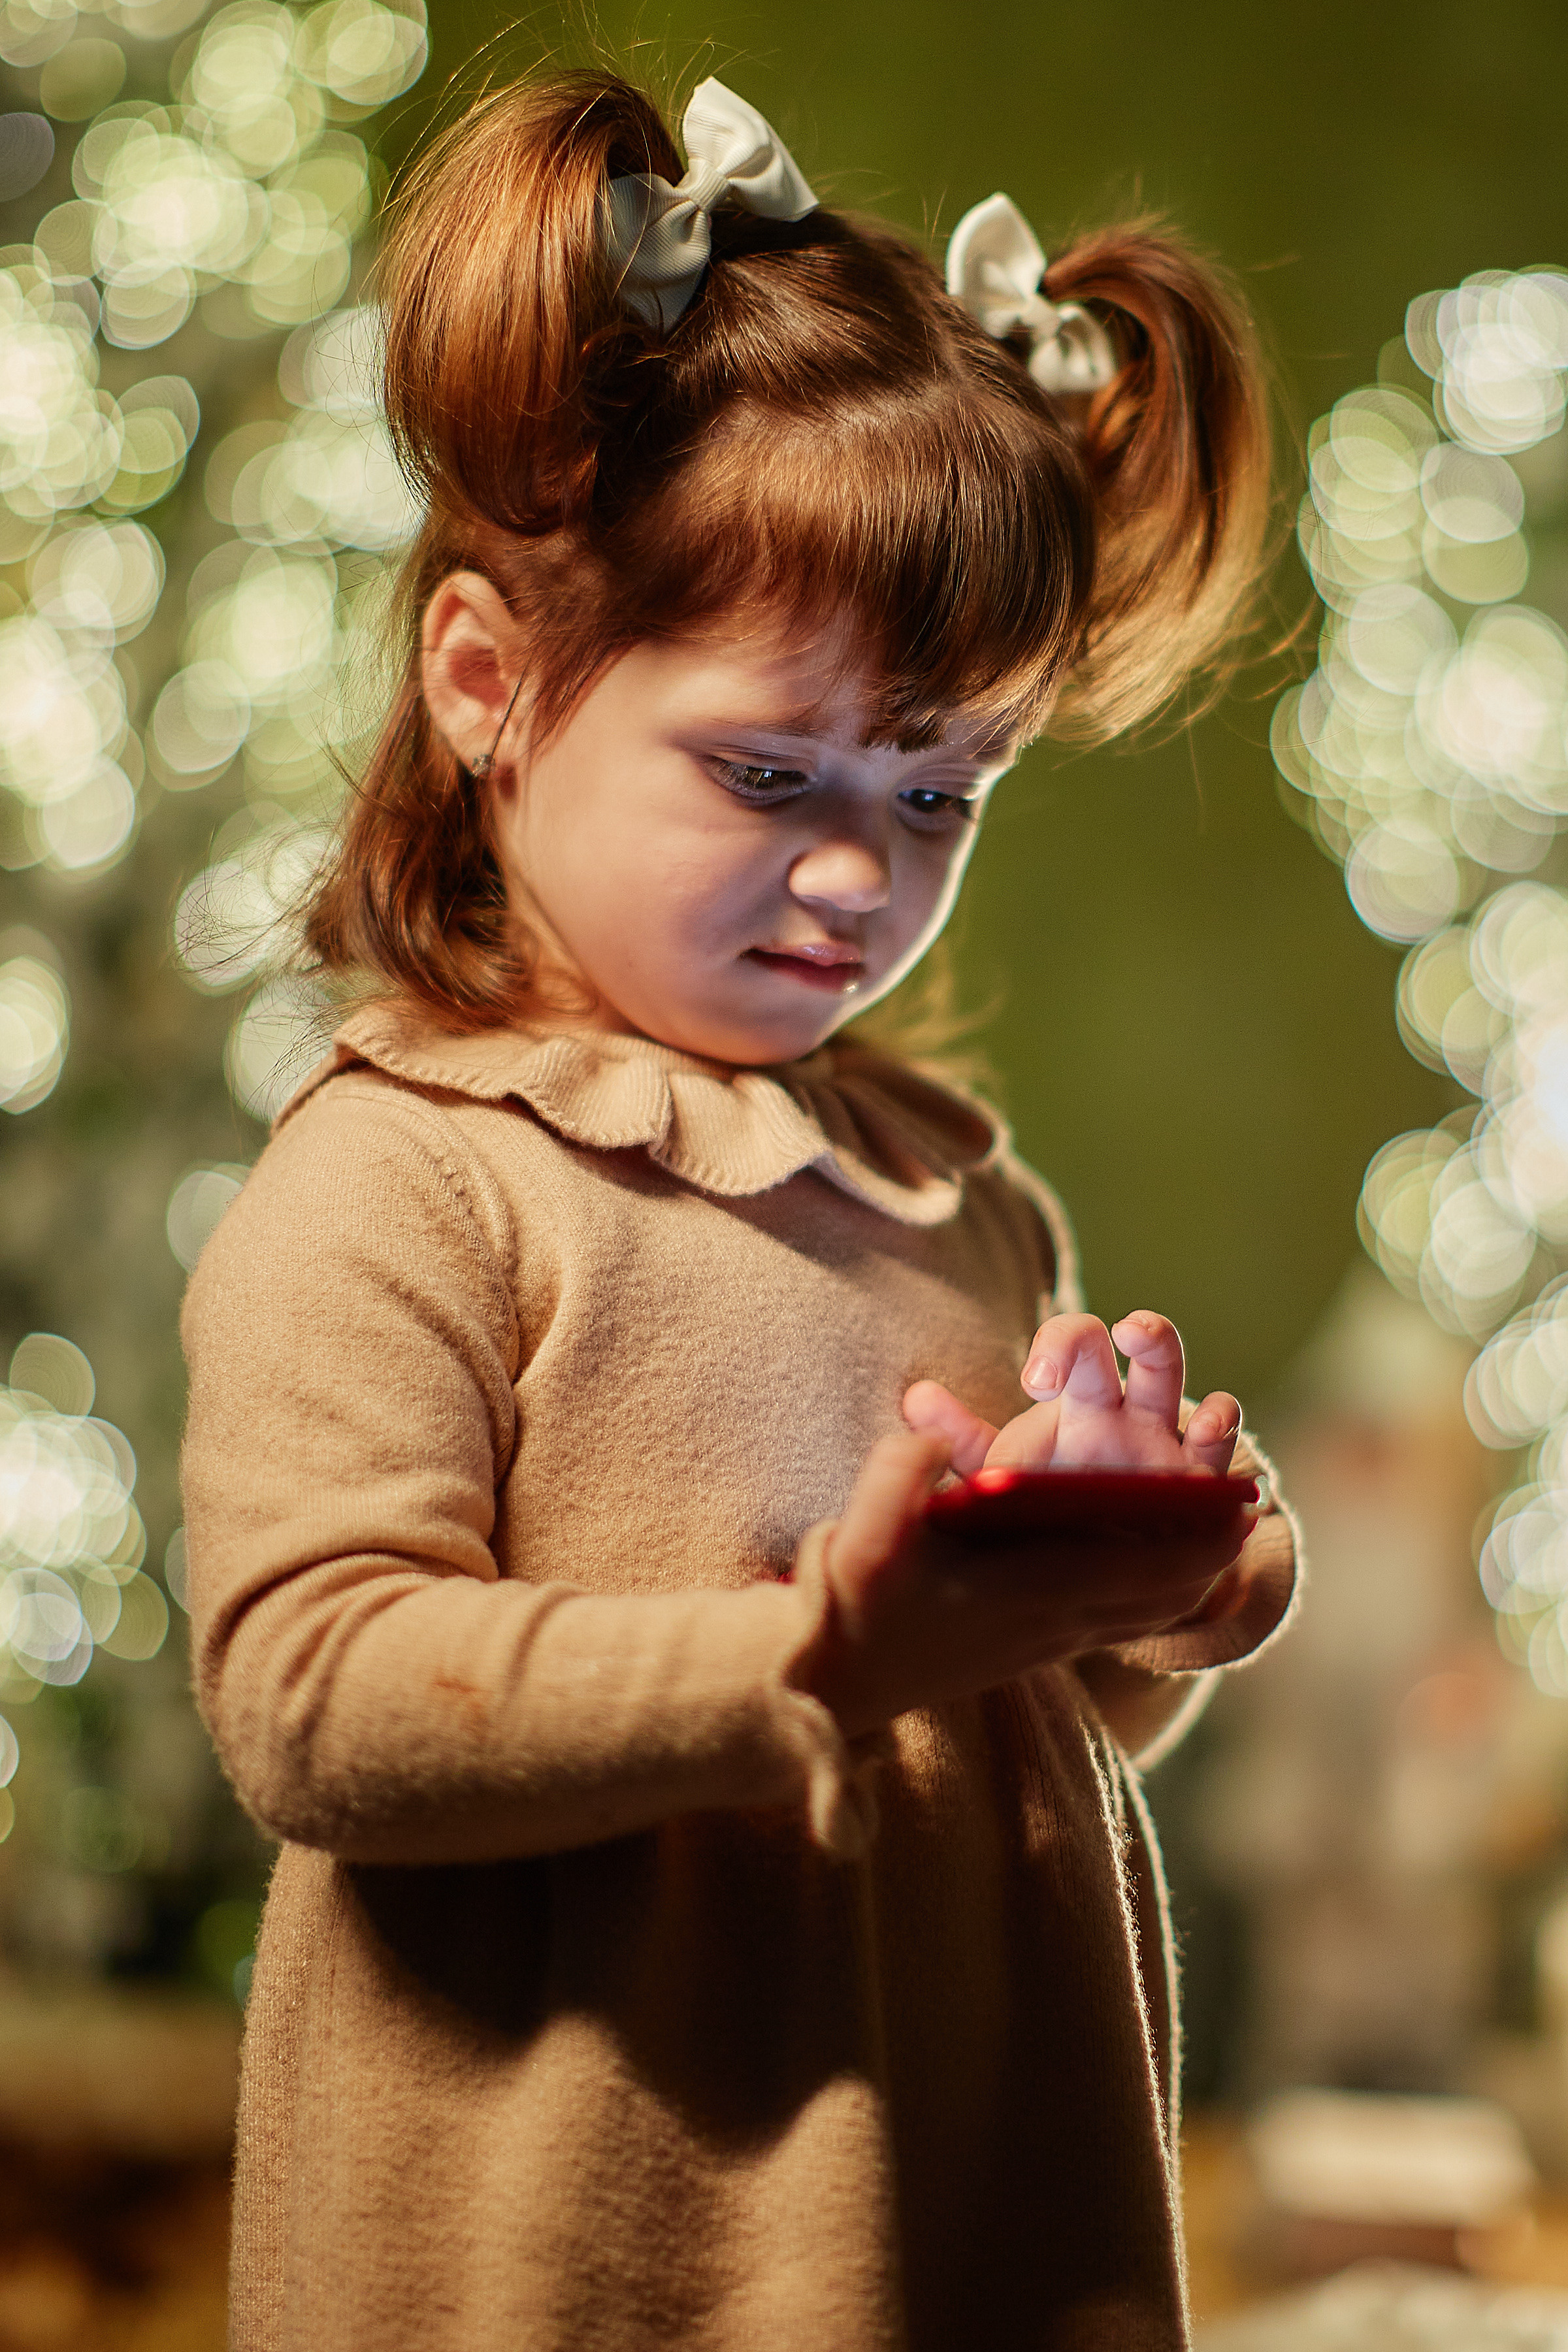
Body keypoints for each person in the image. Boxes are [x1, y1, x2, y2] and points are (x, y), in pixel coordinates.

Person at [179, 66, 1299, 2351]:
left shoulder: (953, 1201)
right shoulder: (408, 1176)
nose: (853, 870)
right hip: (579, 2264)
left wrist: (1136, 1586)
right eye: (769, 771)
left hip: (959, 2225)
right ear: (491, 681)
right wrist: (803, 1657)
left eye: (940, 788)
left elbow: (1037, 1719)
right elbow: (318, 1702)